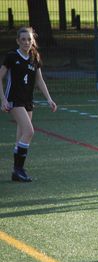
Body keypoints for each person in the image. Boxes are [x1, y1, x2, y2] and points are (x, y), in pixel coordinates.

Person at [0, 27, 57, 182]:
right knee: (29, 131)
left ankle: (15, 172)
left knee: (21, 137)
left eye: (29, 39)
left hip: (27, 101)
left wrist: (49, 99)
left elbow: (39, 80)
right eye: (23, 39)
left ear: (33, 41)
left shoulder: (34, 57)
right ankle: (19, 169)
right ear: (18, 41)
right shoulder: (12, 56)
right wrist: (3, 100)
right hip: (14, 100)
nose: (26, 42)